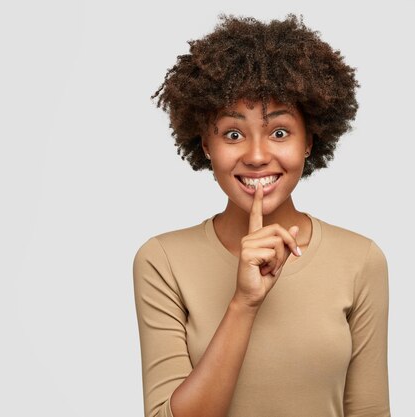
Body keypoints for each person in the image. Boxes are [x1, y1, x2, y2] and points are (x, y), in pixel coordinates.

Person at [133, 14, 391, 417]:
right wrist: (244, 303)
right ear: (205, 145)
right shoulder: (162, 260)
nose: (256, 156)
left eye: (280, 132)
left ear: (309, 142)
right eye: (233, 134)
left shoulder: (360, 260)